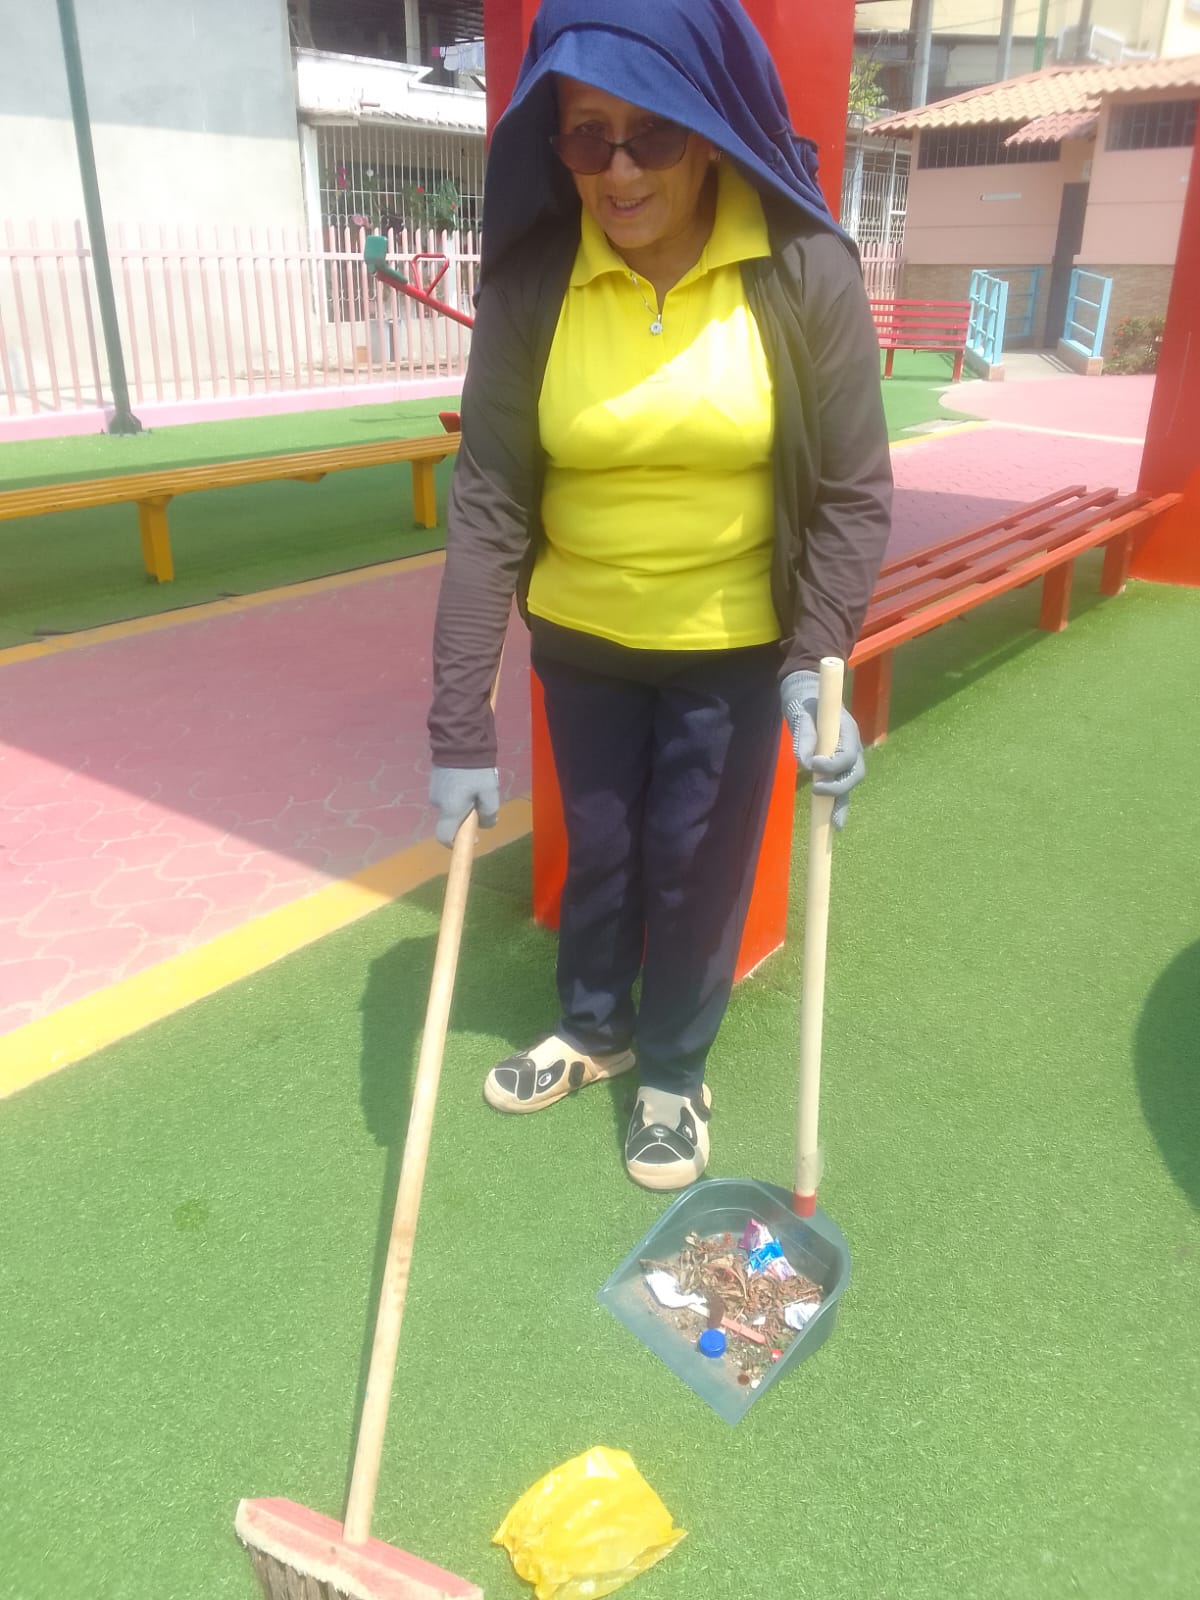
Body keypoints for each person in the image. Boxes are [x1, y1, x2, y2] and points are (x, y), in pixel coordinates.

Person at [427, 0, 892, 1192]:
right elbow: (488, 500)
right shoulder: (535, 283)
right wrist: (458, 724)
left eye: (653, 134)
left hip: (734, 647)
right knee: (599, 847)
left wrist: (816, 663)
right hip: (584, 639)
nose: (620, 170)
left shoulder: (802, 270)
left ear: (711, 130)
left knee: (695, 862)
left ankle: (675, 1071)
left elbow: (852, 494)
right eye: (588, 137)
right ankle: (594, 1028)